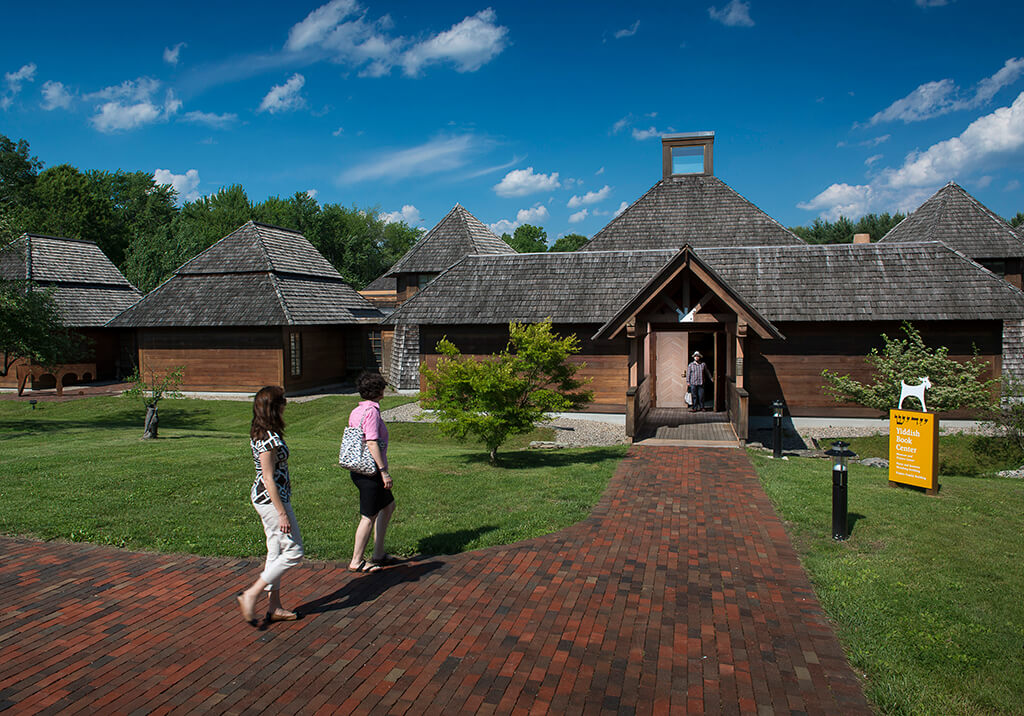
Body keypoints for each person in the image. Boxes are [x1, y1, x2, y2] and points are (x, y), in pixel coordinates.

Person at [237, 385, 304, 625]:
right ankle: (251, 594)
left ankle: (274, 607)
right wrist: (281, 513)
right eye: (283, 401)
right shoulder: (267, 438)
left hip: (272, 499)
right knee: (295, 552)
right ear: (274, 407)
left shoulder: (265, 431)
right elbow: (268, 478)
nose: (286, 404)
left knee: (275, 552)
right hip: (270, 501)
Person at [347, 371, 396, 573]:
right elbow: (372, 442)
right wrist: (383, 471)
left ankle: (378, 553)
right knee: (369, 515)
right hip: (371, 471)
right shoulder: (372, 412)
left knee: (389, 506)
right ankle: (356, 561)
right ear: (379, 391)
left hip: (358, 468)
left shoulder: (356, 411)